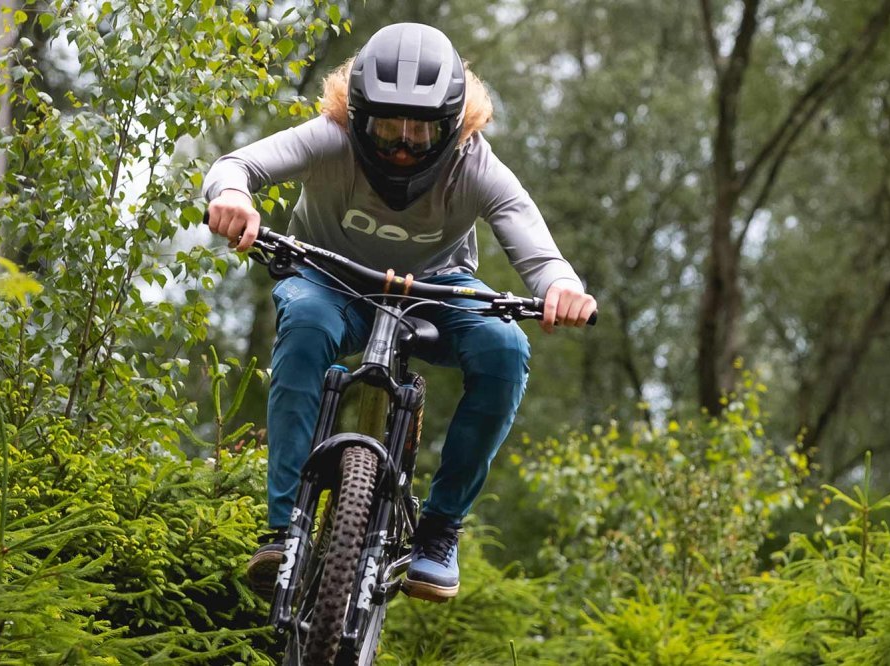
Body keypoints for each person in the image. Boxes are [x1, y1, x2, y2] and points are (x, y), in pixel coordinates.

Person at [200, 22, 597, 603]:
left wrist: (561, 286)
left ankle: (439, 530)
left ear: (453, 125)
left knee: (506, 348)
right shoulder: (330, 138)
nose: (405, 146)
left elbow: (537, 249)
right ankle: (285, 529)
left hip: (437, 290)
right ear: (358, 116)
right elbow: (237, 165)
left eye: (422, 130)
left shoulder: (474, 164)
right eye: (387, 128)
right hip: (329, 280)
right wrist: (233, 194)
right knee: (305, 324)